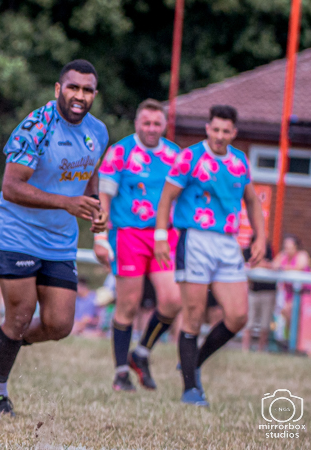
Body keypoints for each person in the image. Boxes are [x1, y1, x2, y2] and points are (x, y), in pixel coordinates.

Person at [0, 59, 109, 416]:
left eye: (87, 90)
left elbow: (90, 173)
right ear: (58, 89)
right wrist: (67, 203)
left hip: (60, 240)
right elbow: (11, 187)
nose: (79, 96)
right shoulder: (36, 127)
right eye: (73, 87)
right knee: (20, 315)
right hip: (16, 233)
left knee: (59, 325)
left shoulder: (98, 131)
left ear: (95, 94)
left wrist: (95, 206)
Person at [155, 104, 265, 408]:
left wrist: (261, 236)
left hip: (228, 242)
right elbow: (166, 197)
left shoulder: (240, 161)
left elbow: (252, 201)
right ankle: (190, 389)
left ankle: (193, 363)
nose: (219, 135)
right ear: (207, 128)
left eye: (225, 131)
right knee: (193, 315)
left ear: (234, 132)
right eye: (215, 129)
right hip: (194, 239)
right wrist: (161, 236)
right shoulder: (189, 157)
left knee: (238, 316)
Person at [94, 99, 182, 392]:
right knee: (128, 304)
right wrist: (100, 238)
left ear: (164, 125)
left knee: (173, 299)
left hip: (163, 236)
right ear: (137, 124)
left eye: (157, 123)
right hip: (128, 234)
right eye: (146, 123)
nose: (151, 128)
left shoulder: (174, 155)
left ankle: (141, 353)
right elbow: (103, 198)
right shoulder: (120, 152)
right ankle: (121, 372)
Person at [272, 234, 311, 331]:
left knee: (291, 312)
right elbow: (274, 265)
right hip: (288, 293)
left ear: (295, 246)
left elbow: (298, 267)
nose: (287, 248)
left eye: (289, 246)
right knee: (284, 312)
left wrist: (282, 268)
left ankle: (296, 334)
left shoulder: (302, 255)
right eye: (286, 246)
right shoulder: (283, 255)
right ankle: (292, 335)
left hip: (304, 293)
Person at [241, 238, 275, 352]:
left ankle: (261, 349)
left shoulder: (269, 250)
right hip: (252, 291)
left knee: (265, 323)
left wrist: (261, 265)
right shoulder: (247, 251)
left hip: (267, 291)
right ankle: (245, 348)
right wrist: (260, 264)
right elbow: (245, 266)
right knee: (248, 322)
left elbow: (274, 265)